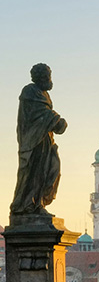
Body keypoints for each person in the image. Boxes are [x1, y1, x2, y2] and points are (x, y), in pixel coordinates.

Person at [10, 64, 68, 216]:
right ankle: (28, 206)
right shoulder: (29, 91)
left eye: (49, 75)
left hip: (46, 141)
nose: (49, 79)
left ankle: (39, 202)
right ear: (39, 77)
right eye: (46, 76)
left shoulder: (44, 94)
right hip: (33, 142)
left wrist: (54, 120)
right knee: (34, 173)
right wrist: (56, 120)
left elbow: (45, 114)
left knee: (52, 169)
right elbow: (38, 113)